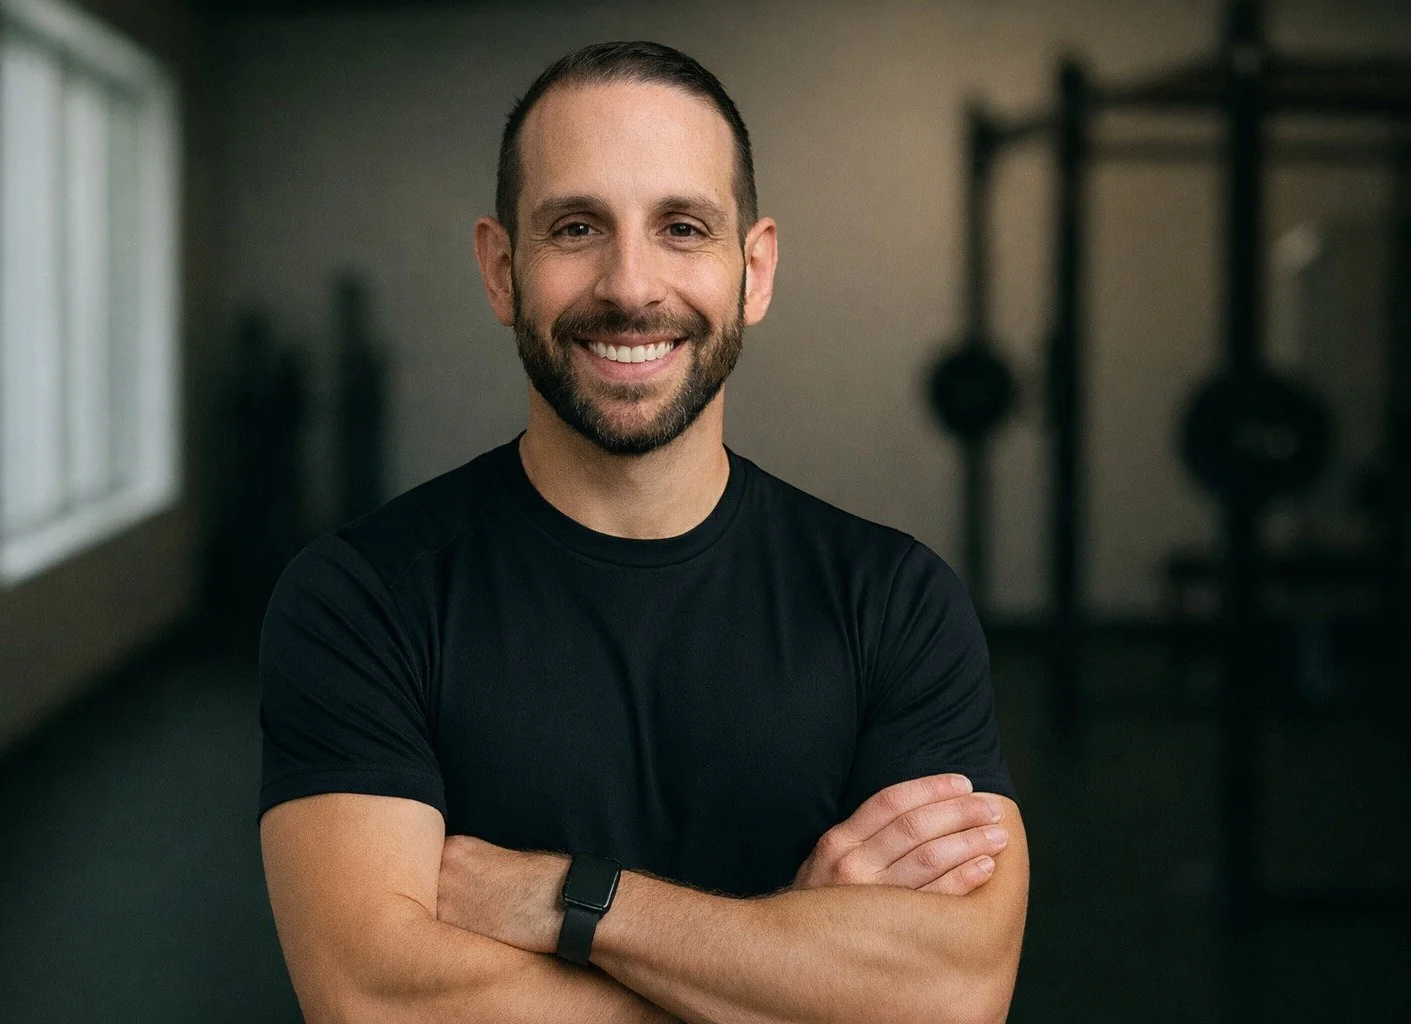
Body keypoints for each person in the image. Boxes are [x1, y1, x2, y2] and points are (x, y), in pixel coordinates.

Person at [258, 40, 1028, 1024]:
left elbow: (954, 993)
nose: (630, 285)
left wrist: (570, 902)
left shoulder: (896, 601)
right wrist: (798, 977)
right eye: (577, 226)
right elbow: (376, 999)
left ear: (754, 270)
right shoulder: (362, 598)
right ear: (502, 269)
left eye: (682, 227)